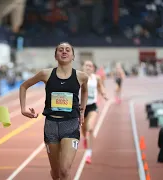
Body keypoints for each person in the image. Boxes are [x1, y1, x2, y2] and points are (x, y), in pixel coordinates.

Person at [19, 42, 88, 180]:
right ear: (55, 55)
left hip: (70, 124)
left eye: (68, 50)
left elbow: (85, 91)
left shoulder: (81, 76)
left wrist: (82, 109)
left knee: (64, 170)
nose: (64, 52)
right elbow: (24, 86)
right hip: (51, 125)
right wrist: (23, 109)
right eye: (60, 50)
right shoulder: (46, 74)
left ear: (73, 56)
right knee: (56, 173)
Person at [81, 60, 108, 164]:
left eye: (90, 66)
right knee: (83, 130)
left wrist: (104, 94)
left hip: (92, 106)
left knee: (90, 128)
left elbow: (101, 87)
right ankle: (84, 138)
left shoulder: (96, 78)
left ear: (93, 68)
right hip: (81, 108)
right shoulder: (78, 77)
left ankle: (89, 152)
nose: (88, 67)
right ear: (83, 67)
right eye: (86, 65)